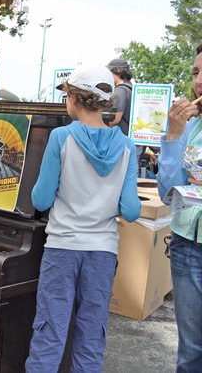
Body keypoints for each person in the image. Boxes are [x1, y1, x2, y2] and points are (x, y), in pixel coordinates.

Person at [25, 65, 141, 372]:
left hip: (62, 247)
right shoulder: (129, 147)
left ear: (75, 98)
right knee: (92, 334)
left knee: (49, 331)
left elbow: (40, 199)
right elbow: (130, 211)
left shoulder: (61, 137)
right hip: (103, 251)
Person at [157, 45, 202, 372]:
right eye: (196, 72)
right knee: (191, 351)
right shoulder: (190, 128)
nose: (198, 81)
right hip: (188, 246)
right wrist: (173, 135)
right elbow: (166, 194)